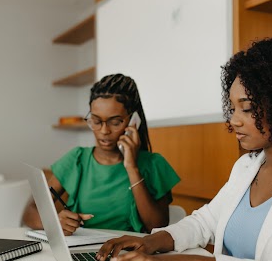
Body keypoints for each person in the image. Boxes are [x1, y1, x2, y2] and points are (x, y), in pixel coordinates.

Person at [95, 38, 272, 261]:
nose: (234, 120)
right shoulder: (247, 166)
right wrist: (152, 242)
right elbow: (204, 222)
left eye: (247, 108)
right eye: (233, 108)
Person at [22, 73, 180, 235]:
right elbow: (30, 212)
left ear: (133, 120)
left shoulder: (154, 164)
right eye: (96, 121)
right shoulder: (77, 159)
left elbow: (157, 226)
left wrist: (132, 167)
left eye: (115, 122)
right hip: (82, 251)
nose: (104, 131)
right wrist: (54, 221)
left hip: (130, 253)